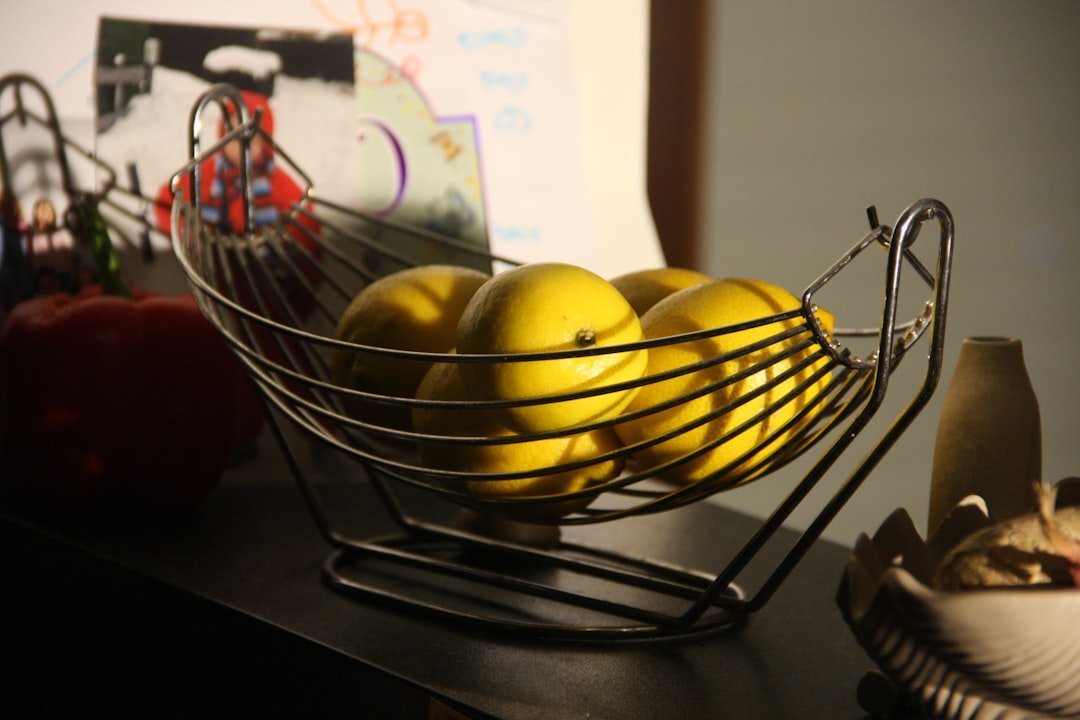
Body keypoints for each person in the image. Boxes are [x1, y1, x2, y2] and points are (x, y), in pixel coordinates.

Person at [25, 198, 77, 295]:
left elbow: (72, 257)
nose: (47, 216)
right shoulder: (33, 237)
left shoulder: (63, 233)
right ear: (37, 215)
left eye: (49, 212)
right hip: (46, 280)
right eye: (43, 212)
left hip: (65, 277)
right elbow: (33, 261)